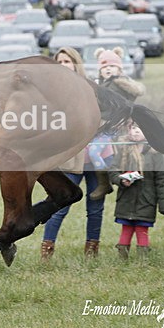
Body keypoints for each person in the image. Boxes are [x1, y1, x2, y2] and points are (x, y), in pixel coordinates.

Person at [41, 47, 110, 259]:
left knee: (95, 206)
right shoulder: (51, 92)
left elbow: (106, 116)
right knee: (60, 204)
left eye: (67, 62)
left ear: (76, 63)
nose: (64, 66)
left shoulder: (92, 88)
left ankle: (92, 251)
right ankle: (47, 250)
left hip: (95, 157)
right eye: (59, 62)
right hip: (70, 157)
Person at [108, 121, 164, 259]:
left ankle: (143, 259)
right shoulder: (123, 150)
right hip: (126, 199)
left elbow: (162, 180)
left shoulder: (155, 153)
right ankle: (122, 258)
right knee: (126, 228)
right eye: (133, 128)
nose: (136, 131)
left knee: (142, 229)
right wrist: (121, 180)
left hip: (146, 200)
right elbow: (112, 171)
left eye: (141, 128)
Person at [90, 47, 146, 199]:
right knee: (103, 153)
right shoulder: (104, 85)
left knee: (94, 152)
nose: (108, 69)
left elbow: (114, 108)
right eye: (104, 66)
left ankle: (105, 182)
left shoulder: (118, 86)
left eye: (112, 66)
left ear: (119, 69)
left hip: (112, 126)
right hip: (104, 126)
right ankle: (110, 178)